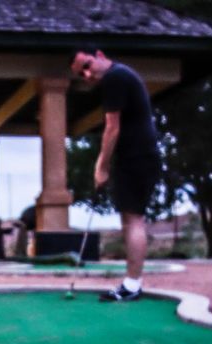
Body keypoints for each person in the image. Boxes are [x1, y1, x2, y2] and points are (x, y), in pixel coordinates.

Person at [70, 47, 161, 302]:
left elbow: (112, 127)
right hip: (137, 156)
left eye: (87, 65)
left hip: (136, 157)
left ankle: (132, 285)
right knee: (130, 218)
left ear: (99, 55)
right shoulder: (120, 76)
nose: (87, 75)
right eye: (81, 73)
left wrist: (101, 166)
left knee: (133, 220)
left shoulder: (115, 78)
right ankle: (132, 282)